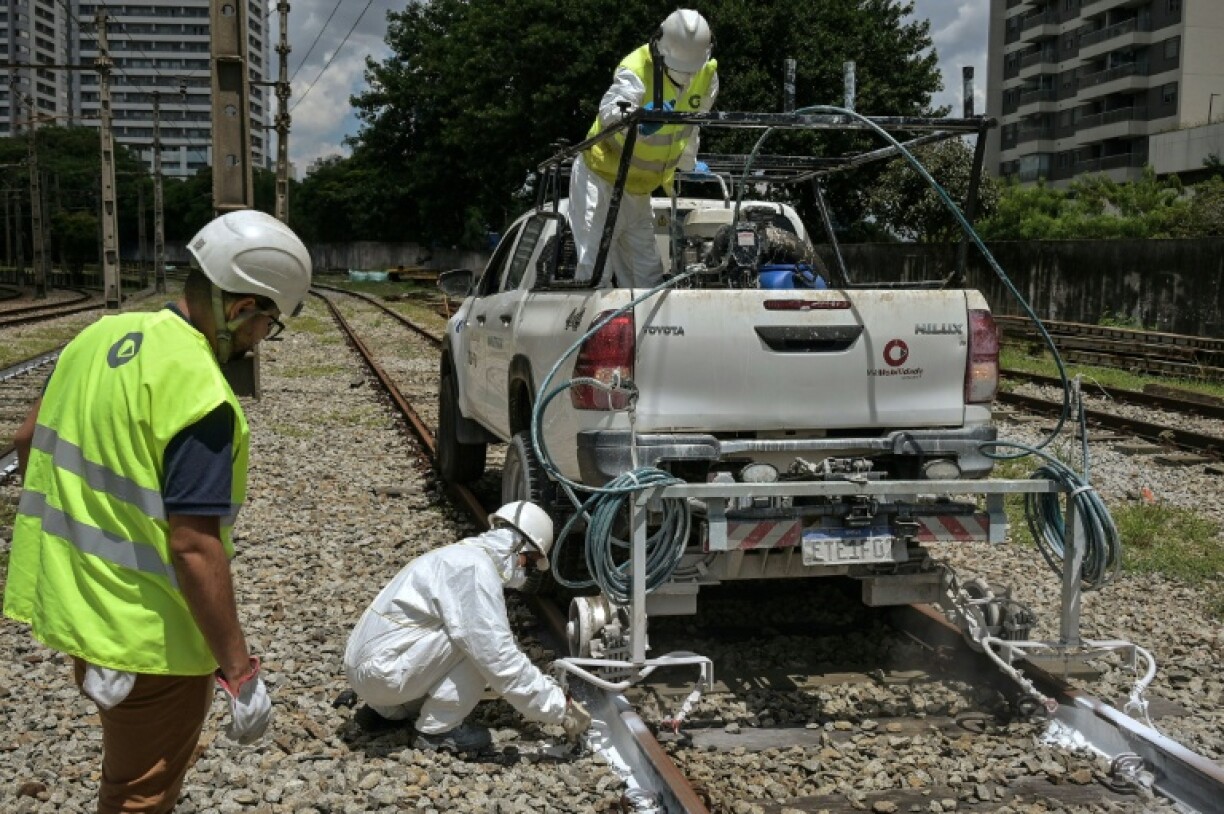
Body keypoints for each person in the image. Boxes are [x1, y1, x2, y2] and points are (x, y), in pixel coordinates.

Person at [4, 209, 312, 813]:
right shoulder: (201, 393)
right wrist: (239, 673)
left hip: (79, 612)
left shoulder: (97, 337)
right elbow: (194, 547)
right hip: (149, 642)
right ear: (241, 308)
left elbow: (27, 438)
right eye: (267, 324)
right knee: (141, 796)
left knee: (124, 775)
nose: (260, 340)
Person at [344, 501, 593, 753]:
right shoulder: (475, 570)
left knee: (474, 637)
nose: (526, 571)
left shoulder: (458, 555)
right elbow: (498, 657)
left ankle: (386, 713)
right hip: (382, 675)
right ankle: (437, 730)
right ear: (517, 546)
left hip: (366, 670)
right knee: (480, 648)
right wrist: (560, 708)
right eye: (529, 562)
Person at [570, 8, 719, 288]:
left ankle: (638, 319)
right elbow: (610, 112)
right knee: (595, 270)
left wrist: (687, 163)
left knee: (646, 276)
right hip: (600, 178)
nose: (686, 78)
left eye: (691, 70)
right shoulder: (637, 68)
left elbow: (691, 126)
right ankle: (595, 314)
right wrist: (637, 121)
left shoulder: (706, 76)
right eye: (680, 70)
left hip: (638, 188)